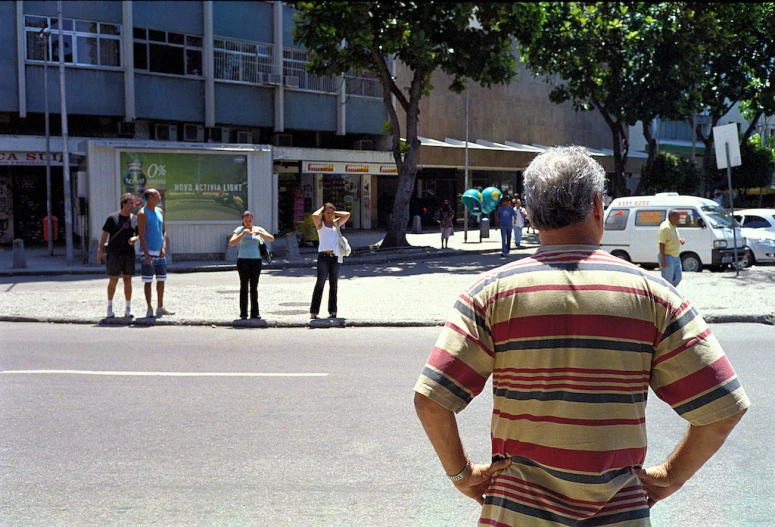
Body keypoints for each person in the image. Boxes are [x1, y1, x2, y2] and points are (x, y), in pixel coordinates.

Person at [413, 145, 749, 526]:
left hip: (515, 511)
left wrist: (462, 475)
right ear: (596, 205)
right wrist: (671, 476)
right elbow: (724, 407)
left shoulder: (490, 294)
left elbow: (432, 401)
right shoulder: (656, 296)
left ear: (529, 211)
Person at [96, 193, 138, 318]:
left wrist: (135, 238)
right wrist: (100, 250)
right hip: (114, 253)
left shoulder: (135, 219)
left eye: (133, 203)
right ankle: (109, 307)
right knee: (113, 279)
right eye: (131, 203)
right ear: (123, 204)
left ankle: (128, 308)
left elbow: (140, 234)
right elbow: (104, 235)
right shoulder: (112, 218)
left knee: (128, 280)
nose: (133, 206)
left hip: (129, 253)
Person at [229, 210, 274, 320]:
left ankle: (255, 313)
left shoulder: (258, 229)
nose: (248, 223)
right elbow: (232, 243)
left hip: (256, 260)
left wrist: (261, 234)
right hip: (243, 260)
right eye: (246, 221)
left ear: (253, 219)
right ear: (242, 221)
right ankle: (243, 313)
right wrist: (243, 234)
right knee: (244, 286)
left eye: (250, 220)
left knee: (254, 287)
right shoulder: (239, 230)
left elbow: (271, 238)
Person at [137, 188, 174, 319]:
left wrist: (164, 247)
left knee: (161, 279)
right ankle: (149, 307)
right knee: (148, 281)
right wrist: (146, 254)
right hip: (148, 252)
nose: (160, 197)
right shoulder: (142, 213)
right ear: (150, 198)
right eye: (157, 195)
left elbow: (164, 231)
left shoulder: (160, 212)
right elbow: (141, 234)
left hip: (160, 252)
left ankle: (160, 306)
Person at [309, 203, 350, 319]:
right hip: (323, 256)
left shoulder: (336, 224)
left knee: (334, 284)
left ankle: (333, 311)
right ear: (323, 213)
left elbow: (347, 215)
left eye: (331, 213)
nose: (330, 215)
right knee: (320, 282)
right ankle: (314, 311)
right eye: (328, 213)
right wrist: (323, 208)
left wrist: (334, 212)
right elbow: (314, 216)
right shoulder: (320, 224)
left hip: (335, 256)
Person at [659, 209, 686, 287]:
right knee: (668, 280)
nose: (678, 220)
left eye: (679, 218)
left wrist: (680, 240)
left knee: (678, 277)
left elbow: (671, 238)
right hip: (667, 256)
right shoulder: (665, 227)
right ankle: (666, 295)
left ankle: (669, 292)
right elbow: (662, 244)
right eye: (676, 218)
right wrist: (663, 260)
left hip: (676, 256)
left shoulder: (673, 226)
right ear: (670, 217)